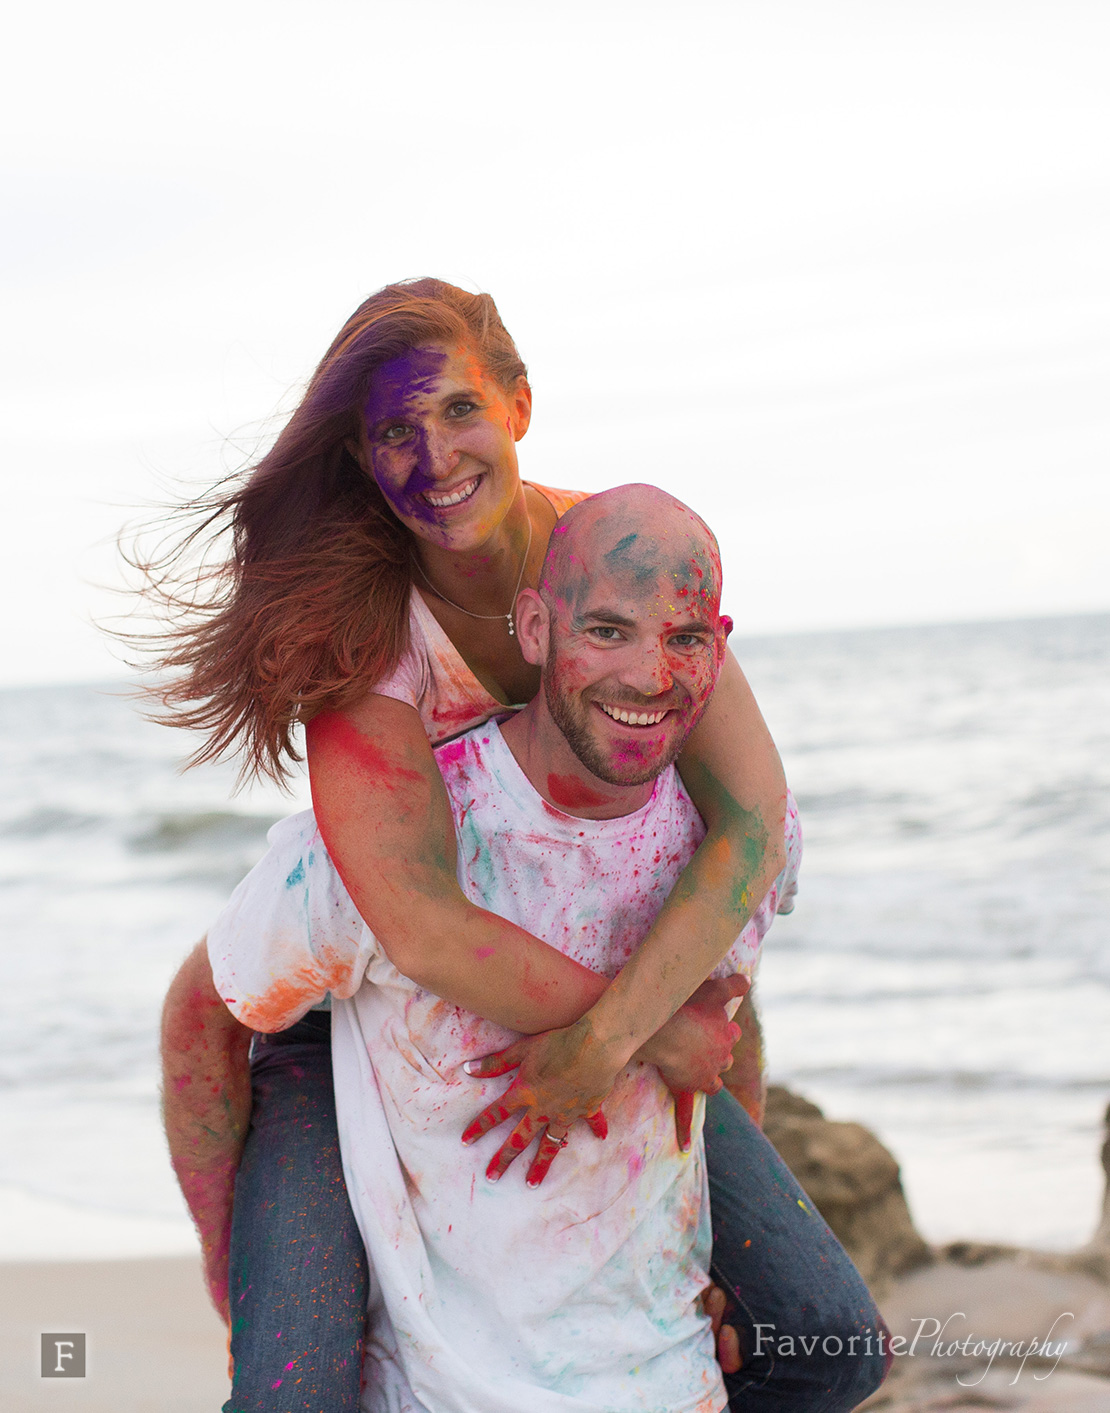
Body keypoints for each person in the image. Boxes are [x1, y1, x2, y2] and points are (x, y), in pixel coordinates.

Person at [151, 279, 884, 1410]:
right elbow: (421, 927)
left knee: (828, 1339)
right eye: (395, 431)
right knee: (288, 1391)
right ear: (361, 458)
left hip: (607, 991)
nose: (434, 455)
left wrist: (633, 1060)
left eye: (457, 412)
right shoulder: (363, 645)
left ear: (519, 408)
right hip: (349, 1009)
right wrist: (229, 1268)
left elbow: (745, 827)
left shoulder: (618, 569)